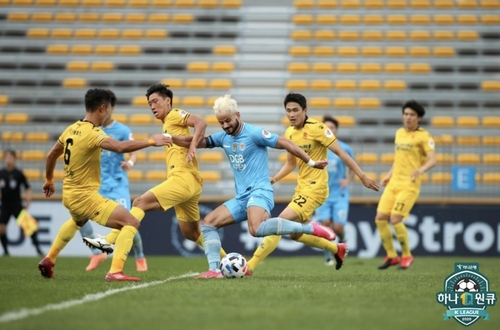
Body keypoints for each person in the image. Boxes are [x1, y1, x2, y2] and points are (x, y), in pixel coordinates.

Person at [171, 94, 337, 279]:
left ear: (238, 115)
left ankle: (310, 228)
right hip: (242, 197)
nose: (225, 126)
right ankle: (214, 270)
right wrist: (168, 137)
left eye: (228, 120)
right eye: (221, 122)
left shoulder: (254, 133)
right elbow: (194, 141)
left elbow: (286, 143)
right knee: (208, 224)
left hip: (260, 191)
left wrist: (311, 162)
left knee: (255, 229)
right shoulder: (223, 138)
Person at [37, 88, 171, 282]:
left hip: (69, 195)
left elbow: (51, 155)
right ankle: (115, 271)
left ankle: (50, 259)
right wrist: (152, 141)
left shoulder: (71, 128)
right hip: (86, 198)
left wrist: (49, 180)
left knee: (77, 222)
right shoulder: (93, 133)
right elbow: (119, 147)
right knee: (131, 222)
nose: (110, 112)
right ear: (102, 108)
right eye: (109, 108)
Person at [83, 84, 227, 260]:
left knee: (139, 202)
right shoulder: (167, 124)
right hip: (191, 182)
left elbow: (201, 123)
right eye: (149, 103)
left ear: (168, 101)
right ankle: (228, 260)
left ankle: (109, 241)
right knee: (191, 233)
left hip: (183, 179)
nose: (152, 106)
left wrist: (193, 146)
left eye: (155, 101)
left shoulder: (174, 115)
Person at [246, 93, 380, 274]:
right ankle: (336, 249)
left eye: (295, 110)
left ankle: (249, 266)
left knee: (279, 223)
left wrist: (362, 175)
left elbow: (341, 153)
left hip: (316, 188)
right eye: (288, 111)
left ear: (305, 110)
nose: (291, 114)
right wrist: (275, 178)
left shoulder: (318, 128)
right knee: (294, 234)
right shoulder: (289, 132)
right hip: (302, 188)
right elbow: (291, 163)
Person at [78, 90, 148, 272]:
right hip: (98, 184)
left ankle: (139, 256)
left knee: (128, 221)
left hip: (118, 184)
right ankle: (96, 252)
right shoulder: (92, 130)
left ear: (111, 108)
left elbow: (134, 152)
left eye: (109, 106)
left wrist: (131, 162)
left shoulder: (123, 130)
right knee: (79, 217)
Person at [375, 100, 436, 270]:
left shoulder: (424, 136)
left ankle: (407, 256)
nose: (408, 117)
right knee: (380, 218)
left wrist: (420, 170)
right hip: (394, 183)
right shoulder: (399, 133)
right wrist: (388, 175)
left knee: (395, 219)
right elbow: (398, 159)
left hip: (409, 185)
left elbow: (433, 160)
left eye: (412, 115)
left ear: (419, 118)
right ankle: (392, 256)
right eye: (406, 114)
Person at [313, 115, 354, 266]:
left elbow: (352, 167)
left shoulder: (345, 148)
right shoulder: (318, 148)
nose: (329, 130)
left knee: (337, 227)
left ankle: (342, 241)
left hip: (340, 194)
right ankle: (328, 257)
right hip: (322, 193)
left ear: (336, 130)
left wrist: (347, 180)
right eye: (327, 127)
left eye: (332, 128)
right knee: (324, 224)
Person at [0, 149, 43, 256]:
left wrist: (28, 200)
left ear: (15, 159)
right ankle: (6, 251)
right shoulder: (1, 173)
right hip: (5, 205)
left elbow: (28, 188)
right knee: (1, 228)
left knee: (30, 227)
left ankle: (38, 248)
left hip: (16, 205)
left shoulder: (18, 174)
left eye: (11, 157)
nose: (8, 159)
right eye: (7, 157)